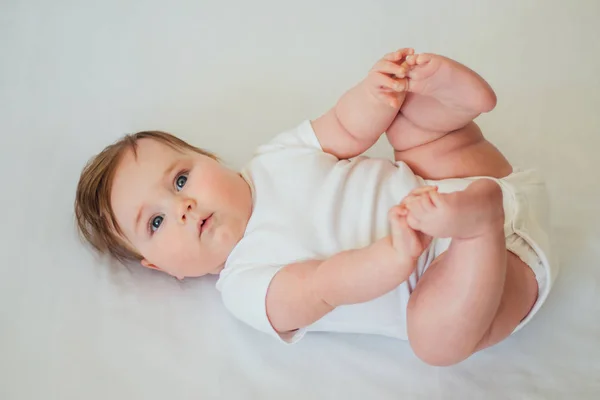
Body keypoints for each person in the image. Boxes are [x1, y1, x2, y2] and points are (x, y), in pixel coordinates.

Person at [74, 48, 556, 366]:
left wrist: (375, 94)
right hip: (485, 284)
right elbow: (322, 286)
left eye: (180, 179)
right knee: (431, 337)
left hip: (467, 180)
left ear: (211, 159)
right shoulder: (244, 285)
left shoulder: (274, 158)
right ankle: (478, 227)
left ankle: (453, 108)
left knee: (411, 132)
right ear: (161, 267)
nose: (182, 206)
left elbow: (345, 127)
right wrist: (393, 254)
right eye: (156, 221)